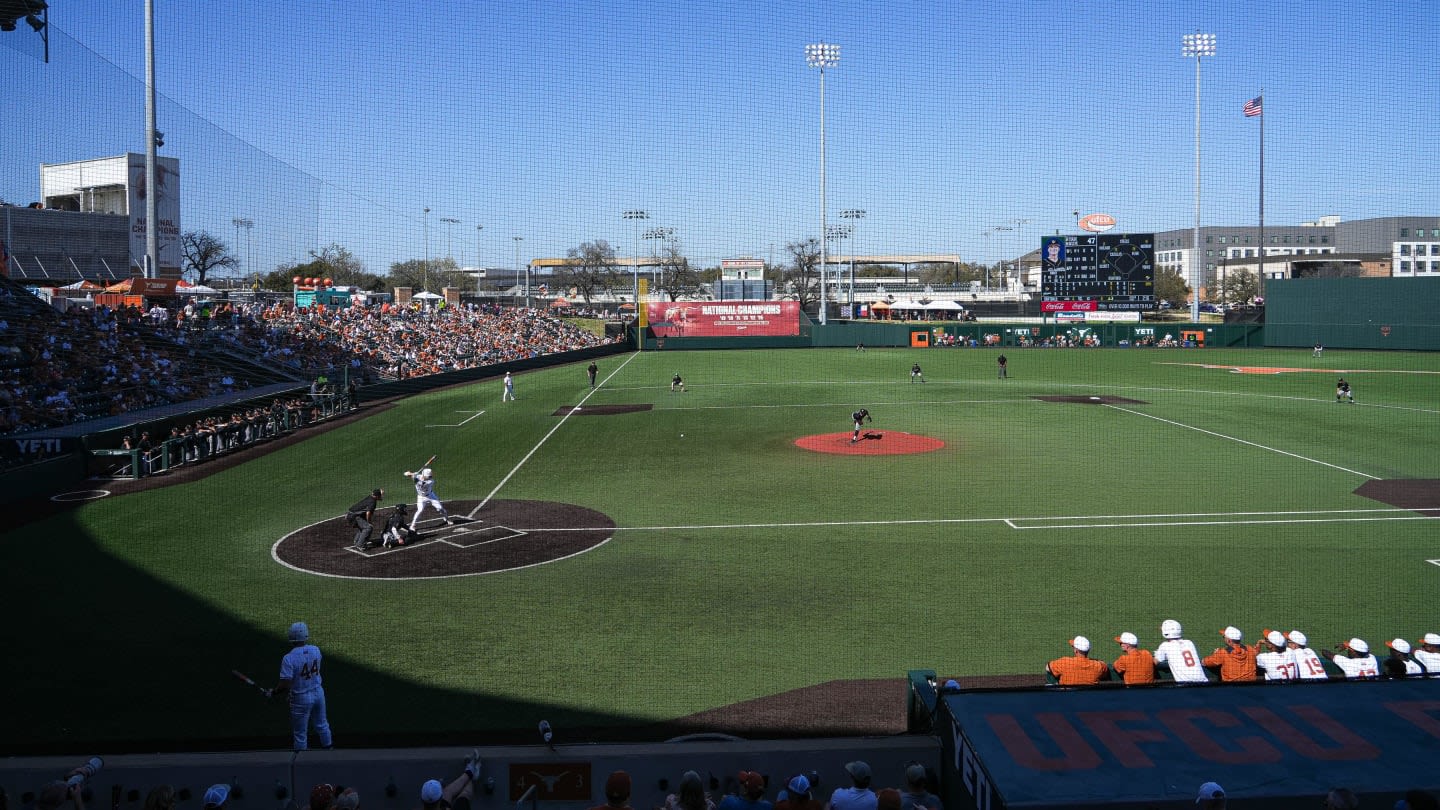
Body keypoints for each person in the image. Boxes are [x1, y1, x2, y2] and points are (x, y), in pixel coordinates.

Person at [272, 621, 332, 751]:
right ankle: (329, 750)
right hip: (318, 693)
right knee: (322, 724)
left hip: (300, 698)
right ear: (306, 635)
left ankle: (301, 761)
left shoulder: (288, 658)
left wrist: (273, 692)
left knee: (300, 733)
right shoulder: (316, 650)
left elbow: (285, 683)